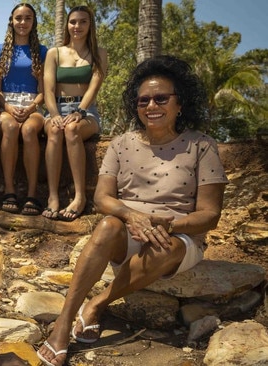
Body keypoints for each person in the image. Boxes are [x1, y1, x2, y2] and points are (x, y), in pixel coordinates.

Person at [36, 55, 229, 366]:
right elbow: (102, 199)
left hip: (179, 237)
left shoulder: (201, 146)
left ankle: (98, 304)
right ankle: (63, 323)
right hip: (128, 231)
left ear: (180, 103)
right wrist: (132, 216)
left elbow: (210, 215)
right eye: (143, 101)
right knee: (107, 226)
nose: (151, 106)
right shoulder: (122, 144)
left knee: (165, 247)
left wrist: (168, 226)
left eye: (161, 98)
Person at [42, 5, 108, 221]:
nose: (77, 26)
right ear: (67, 25)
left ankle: (79, 197)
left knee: (72, 130)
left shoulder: (100, 54)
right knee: (54, 130)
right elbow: (48, 90)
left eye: (83, 22)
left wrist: (80, 111)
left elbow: (94, 87)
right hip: (56, 108)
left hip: (86, 111)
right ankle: (53, 197)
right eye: (73, 22)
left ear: (90, 26)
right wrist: (54, 114)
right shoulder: (55, 53)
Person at [0, 3, 47, 215]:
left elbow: (43, 91)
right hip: (7, 105)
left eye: (28, 18)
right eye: (18, 18)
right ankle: (9, 190)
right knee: (11, 127)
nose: (23, 23)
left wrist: (32, 107)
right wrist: (7, 106)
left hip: (33, 107)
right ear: (11, 21)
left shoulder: (42, 52)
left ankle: (32, 194)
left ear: (33, 22)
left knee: (29, 130)